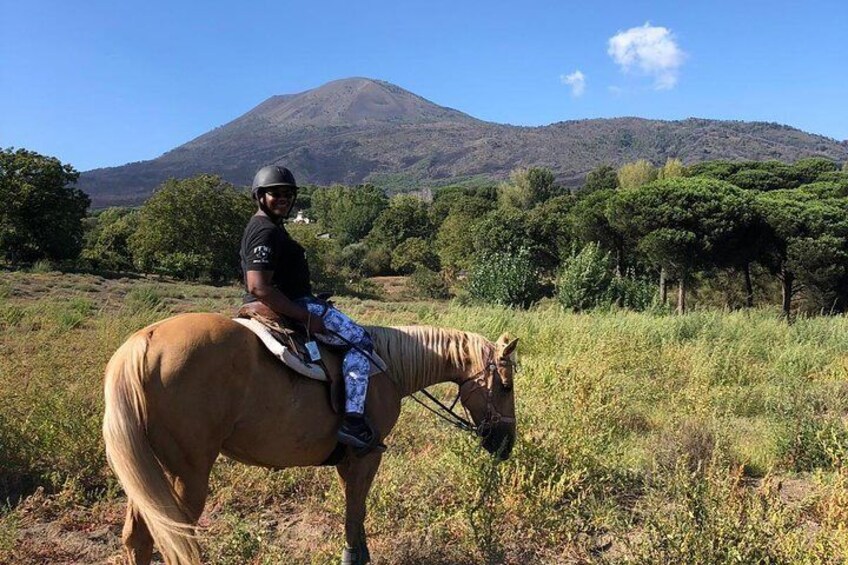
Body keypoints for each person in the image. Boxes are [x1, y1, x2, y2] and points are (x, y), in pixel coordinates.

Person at [240, 165, 382, 452]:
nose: (282, 198)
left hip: (296, 299)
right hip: (294, 305)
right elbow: (258, 286)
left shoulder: (272, 227)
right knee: (361, 342)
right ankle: (353, 421)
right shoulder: (264, 230)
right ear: (259, 196)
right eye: (275, 193)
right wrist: (306, 317)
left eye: (287, 194)